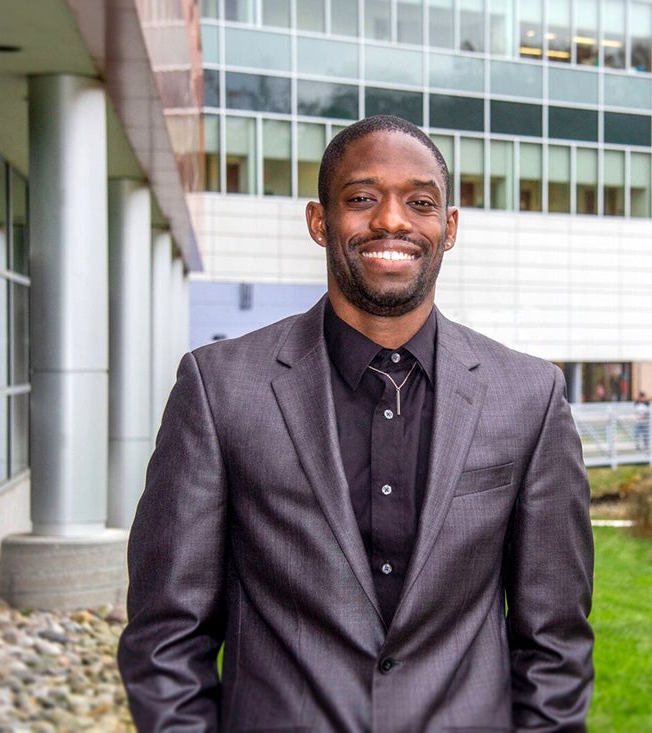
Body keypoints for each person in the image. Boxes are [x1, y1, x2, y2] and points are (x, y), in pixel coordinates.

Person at [118, 116, 595, 731]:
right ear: (320, 222)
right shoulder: (219, 390)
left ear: (447, 229)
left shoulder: (530, 396)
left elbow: (555, 643)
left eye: (419, 202)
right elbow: (166, 637)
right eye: (363, 198)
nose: (392, 220)